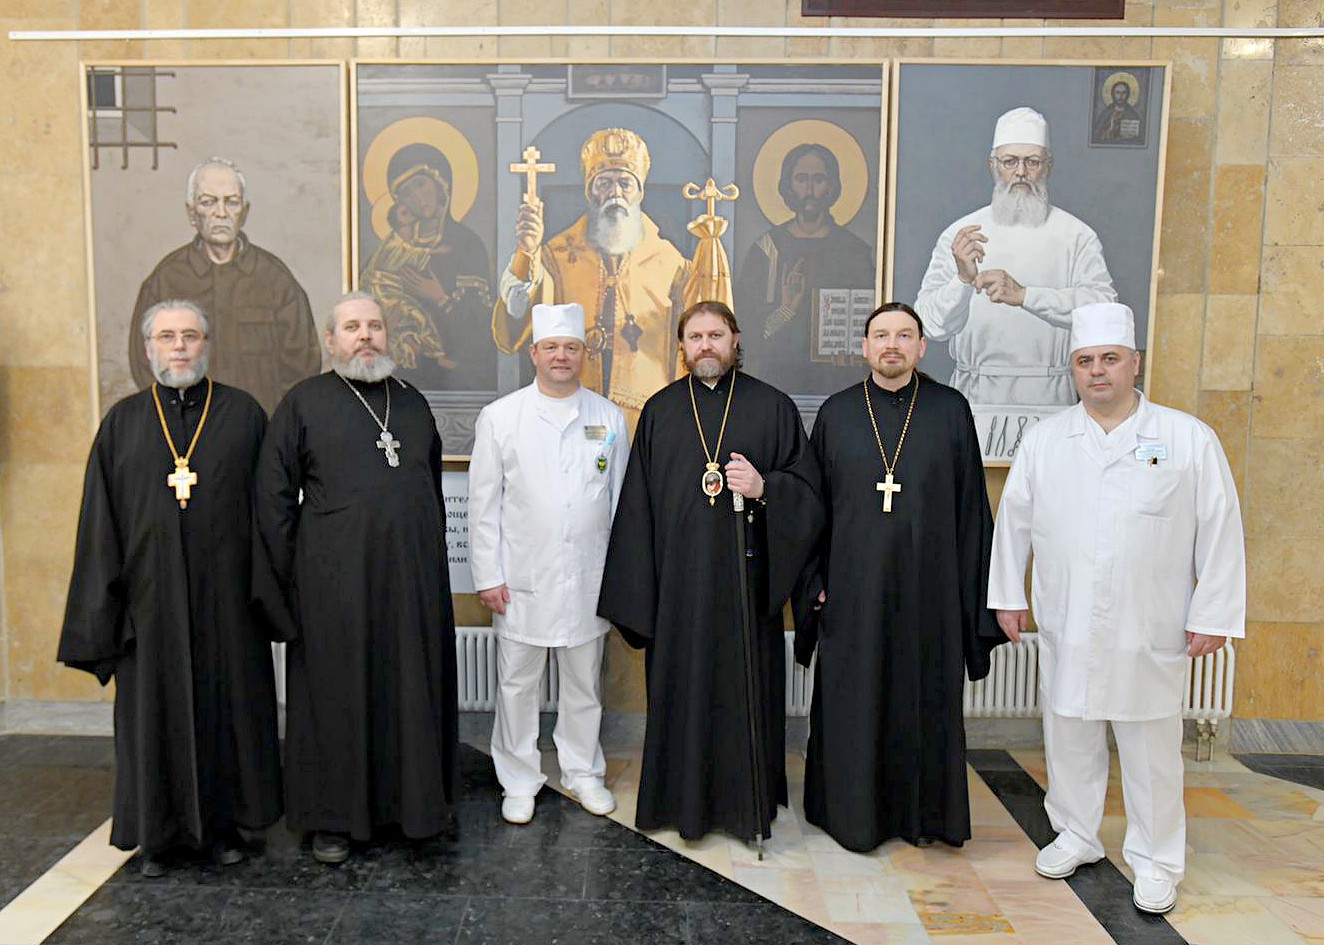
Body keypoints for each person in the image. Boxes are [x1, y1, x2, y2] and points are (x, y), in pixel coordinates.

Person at [988, 301, 1246, 915]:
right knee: (1068, 728)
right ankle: (1076, 833)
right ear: (1072, 370)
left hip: (1149, 622)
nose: (1097, 371)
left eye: (1109, 359)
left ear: (1136, 363)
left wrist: (1213, 613)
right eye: (1085, 361)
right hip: (1068, 616)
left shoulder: (1186, 438)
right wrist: (1008, 597)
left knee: (1150, 745)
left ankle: (1156, 859)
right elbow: (1013, 525)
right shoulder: (1046, 441)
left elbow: (1220, 527)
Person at [59, 300, 282, 877]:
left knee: (228, 715)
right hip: (149, 606)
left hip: (228, 603)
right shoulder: (124, 423)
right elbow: (99, 525)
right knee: (153, 719)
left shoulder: (243, 415)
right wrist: (106, 613)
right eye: (166, 337)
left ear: (207, 344)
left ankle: (228, 827)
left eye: (189, 336)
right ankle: (157, 837)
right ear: (148, 349)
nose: (178, 347)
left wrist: (271, 596)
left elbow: (270, 514)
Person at [597, 300, 822, 843]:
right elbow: (637, 510)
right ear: (681, 346)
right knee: (681, 692)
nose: (705, 345)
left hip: (748, 588)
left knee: (746, 693)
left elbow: (809, 495)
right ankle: (679, 801)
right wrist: (642, 594)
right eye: (695, 336)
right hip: (680, 591)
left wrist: (766, 488)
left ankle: (747, 805)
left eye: (716, 335)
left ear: (735, 340)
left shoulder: (772, 407)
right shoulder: (661, 410)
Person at [254, 291, 458, 864]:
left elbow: (430, 490)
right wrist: (297, 575)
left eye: (374, 325)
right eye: (351, 327)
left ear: (388, 335)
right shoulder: (303, 402)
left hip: (410, 585)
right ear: (331, 340)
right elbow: (272, 499)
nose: (365, 336)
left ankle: (413, 812)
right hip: (333, 587)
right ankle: (333, 821)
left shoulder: (411, 402)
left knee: (408, 694)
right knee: (336, 698)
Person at [795, 301, 1002, 852]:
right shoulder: (837, 413)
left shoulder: (950, 410)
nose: (892, 345)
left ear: (921, 347)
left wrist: (973, 598)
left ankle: (924, 816)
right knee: (854, 702)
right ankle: (849, 815)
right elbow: (813, 507)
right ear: (864, 348)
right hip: (852, 593)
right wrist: (814, 580)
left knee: (923, 700)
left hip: (930, 596)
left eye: (904, 336)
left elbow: (971, 510)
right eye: (881, 335)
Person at [468, 302, 628, 825]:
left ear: (584, 354)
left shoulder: (607, 416)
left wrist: (618, 582)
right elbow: (484, 505)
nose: (562, 356)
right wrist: (488, 576)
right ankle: (518, 780)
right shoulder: (501, 417)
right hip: (521, 581)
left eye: (571, 348)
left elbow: (619, 504)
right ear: (534, 353)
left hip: (589, 580)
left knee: (584, 685)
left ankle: (583, 772)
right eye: (552, 347)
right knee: (517, 686)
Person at [915, 107, 1117, 407]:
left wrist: (1025, 296)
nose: (1021, 172)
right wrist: (963, 280)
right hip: (976, 395)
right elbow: (930, 325)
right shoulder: (961, 235)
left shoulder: (1076, 235)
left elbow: (1103, 311)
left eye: (1032, 162)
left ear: (1048, 166)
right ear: (993, 166)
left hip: (1050, 396)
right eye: (1010, 162)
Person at [492, 128, 693, 429]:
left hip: (647, 417)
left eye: (625, 183)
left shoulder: (670, 263)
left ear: (639, 193)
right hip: (573, 414)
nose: (615, 194)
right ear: (590, 192)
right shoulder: (556, 256)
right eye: (604, 183)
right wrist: (527, 253)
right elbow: (516, 321)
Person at [129, 157, 322, 415]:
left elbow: (302, 367)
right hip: (188, 430)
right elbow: (144, 365)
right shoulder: (165, 281)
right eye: (208, 202)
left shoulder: (277, 281)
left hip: (260, 429)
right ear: (191, 213)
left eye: (231, 202)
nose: (221, 213)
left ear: (245, 212)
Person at [738, 142, 876, 394]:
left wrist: (856, 349)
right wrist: (786, 309)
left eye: (818, 179)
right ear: (788, 186)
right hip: (776, 380)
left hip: (839, 381)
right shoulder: (767, 249)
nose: (810, 190)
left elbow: (866, 318)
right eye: (801, 179)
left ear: (832, 186)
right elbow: (748, 330)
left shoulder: (854, 251)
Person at [360, 142, 493, 382]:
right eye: (406, 193)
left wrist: (439, 297)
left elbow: (480, 327)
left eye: (421, 184)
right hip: (395, 380)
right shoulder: (391, 248)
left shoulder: (467, 246)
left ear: (440, 183)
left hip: (457, 382)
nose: (417, 198)